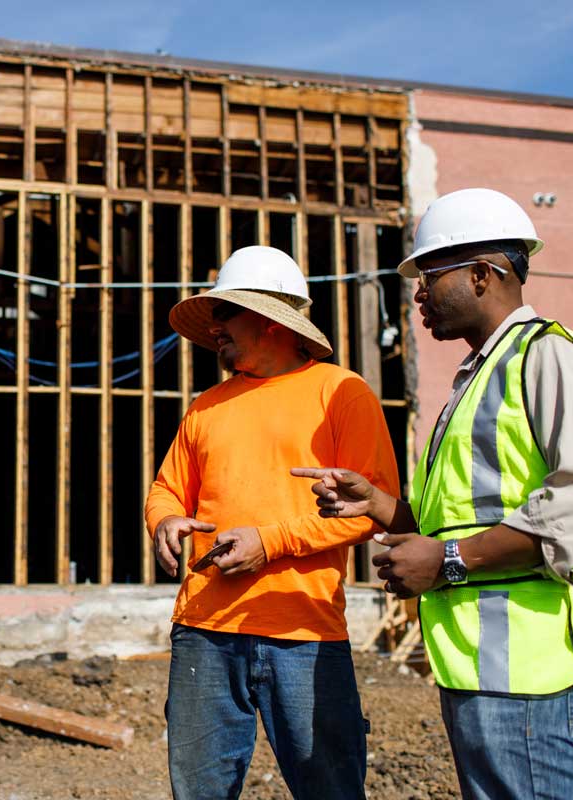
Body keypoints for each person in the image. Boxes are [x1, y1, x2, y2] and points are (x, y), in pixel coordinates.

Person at [294, 187, 573, 800]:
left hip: (538, 668)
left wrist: (447, 562)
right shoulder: (479, 376)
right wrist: (378, 505)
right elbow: (459, 519)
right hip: (487, 666)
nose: (417, 293)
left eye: (429, 275)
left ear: (482, 275)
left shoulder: (547, 355)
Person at [145, 245, 399, 800]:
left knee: (330, 789)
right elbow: (167, 488)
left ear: (267, 319)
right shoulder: (206, 407)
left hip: (303, 632)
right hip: (205, 631)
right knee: (199, 791)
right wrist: (164, 521)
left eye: (225, 314)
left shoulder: (341, 394)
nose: (216, 329)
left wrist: (270, 543)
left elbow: (375, 507)